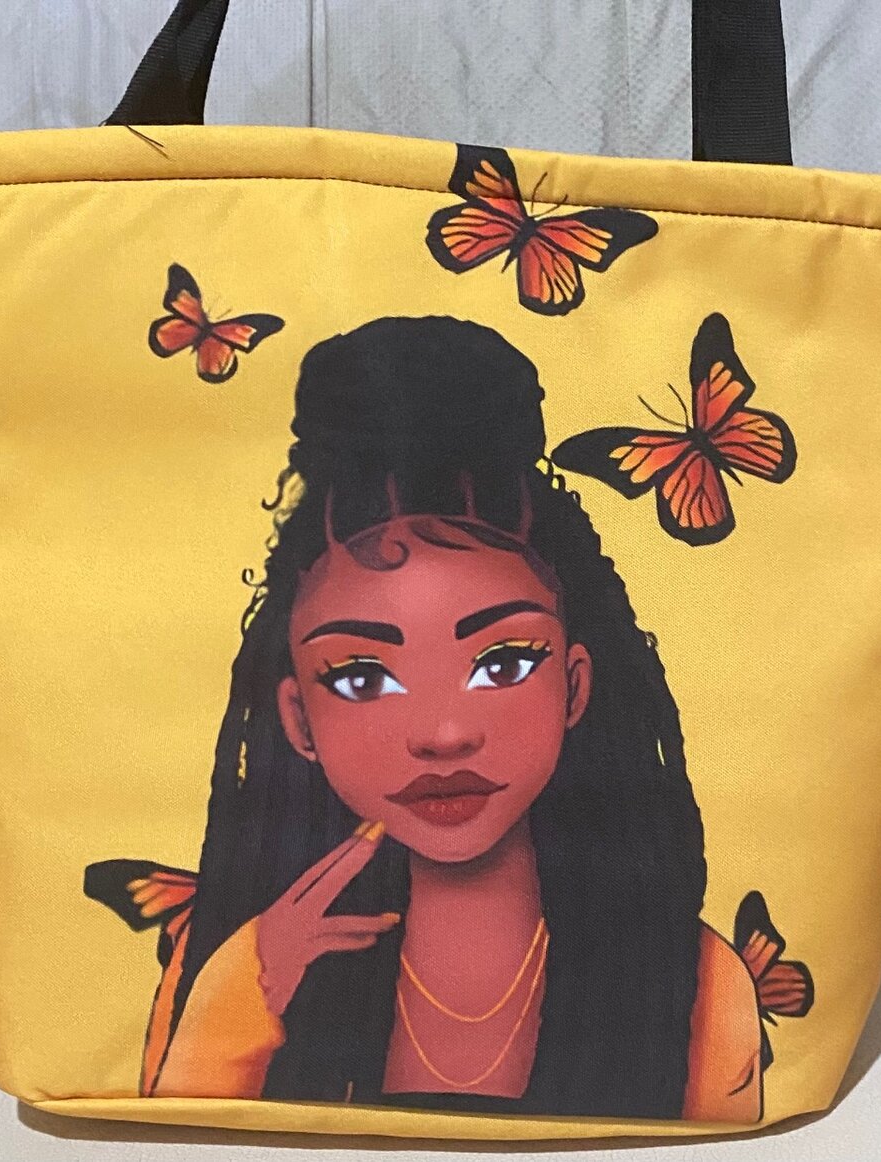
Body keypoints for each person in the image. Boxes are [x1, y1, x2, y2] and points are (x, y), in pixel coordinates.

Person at [87, 315, 765, 1121]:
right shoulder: (245, 964)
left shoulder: (696, 983)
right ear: (298, 720)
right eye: (362, 676)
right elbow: (174, 1136)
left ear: (576, 686)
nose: (443, 735)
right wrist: (251, 988)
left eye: (503, 663)